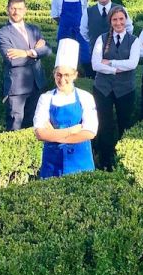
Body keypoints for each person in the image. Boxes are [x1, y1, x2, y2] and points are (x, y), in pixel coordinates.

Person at [34, 38, 97, 177]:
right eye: (59, 75)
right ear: (54, 75)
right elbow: (40, 133)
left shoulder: (86, 97)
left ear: (75, 75)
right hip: (52, 163)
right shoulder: (45, 98)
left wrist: (56, 136)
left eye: (67, 75)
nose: (62, 80)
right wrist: (71, 131)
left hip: (80, 162)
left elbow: (90, 132)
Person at [92, 5, 141, 170]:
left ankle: (124, 159)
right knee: (105, 124)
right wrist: (115, 69)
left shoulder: (134, 40)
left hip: (126, 89)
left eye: (121, 19)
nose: (118, 22)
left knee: (125, 123)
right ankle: (105, 161)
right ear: (110, 21)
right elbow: (95, 64)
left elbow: (132, 63)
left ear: (126, 20)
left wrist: (111, 62)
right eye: (115, 19)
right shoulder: (102, 38)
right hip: (102, 88)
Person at [0, 0, 51, 131]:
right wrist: (36, 51)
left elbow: (48, 50)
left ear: (25, 10)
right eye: (13, 8)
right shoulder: (2, 34)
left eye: (20, 8)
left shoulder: (34, 29)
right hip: (17, 89)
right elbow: (13, 60)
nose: (16, 12)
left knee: (35, 124)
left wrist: (27, 52)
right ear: (7, 9)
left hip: (37, 84)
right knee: (15, 126)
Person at [81, 0, 133, 77]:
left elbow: (129, 28)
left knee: (119, 79)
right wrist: (94, 41)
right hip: (97, 54)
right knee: (99, 82)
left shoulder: (121, 9)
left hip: (118, 52)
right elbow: (83, 31)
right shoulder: (88, 12)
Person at [51, 0, 91, 75]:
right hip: (65, 30)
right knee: (64, 54)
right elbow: (55, 15)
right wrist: (65, 23)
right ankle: (65, 74)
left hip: (80, 30)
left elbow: (85, 13)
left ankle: (86, 73)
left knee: (85, 53)